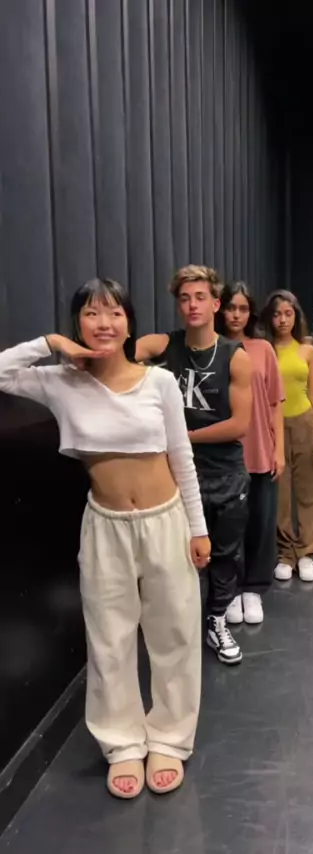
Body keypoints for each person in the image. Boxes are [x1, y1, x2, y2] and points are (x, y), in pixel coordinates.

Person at [0, 278, 210, 800]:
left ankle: (169, 738)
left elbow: (182, 458)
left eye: (114, 312)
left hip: (165, 521)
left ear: (129, 322)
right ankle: (122, 743)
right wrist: (50, 343)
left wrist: (198, 527)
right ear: (77, 323)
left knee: (175, 634)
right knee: (109, 639)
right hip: (105, 526)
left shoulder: (159, 382)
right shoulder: (60, 382)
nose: (104, 323)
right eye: (91, 314)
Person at [136, 266, 252, 665]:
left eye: (200, 297)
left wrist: (183, 438)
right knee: (175, 557)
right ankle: (179, 628)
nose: (192, 305)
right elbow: (123, 352)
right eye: (184, 299)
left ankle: (216, 620)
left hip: (224, 472)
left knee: (224, 553)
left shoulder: (236, 357)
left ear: (216, 304)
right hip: (176, 474)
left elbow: (240, 424)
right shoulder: (165, 345)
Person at [216, 281, 284, 625]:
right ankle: (228, 589)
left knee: (260, 521)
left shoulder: (263, 349)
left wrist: (279, 449)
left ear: (251, 313)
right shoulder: (211, 348)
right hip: (222, 454)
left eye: (243, 309)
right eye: (231, 307)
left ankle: (253, 588)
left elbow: (275, 404)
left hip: (259, 449)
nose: (236, 315)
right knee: (228, 527)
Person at [261, 290, 313, 583]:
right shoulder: (265, 349)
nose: (282, 320)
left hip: (304, 423)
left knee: (309, 489)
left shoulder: (307, 351)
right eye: (277, 314)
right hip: (273, 425)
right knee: (281, 492)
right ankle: (285, 553)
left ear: (296, 316)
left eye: (288, 314)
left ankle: (307, 551)